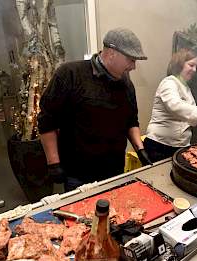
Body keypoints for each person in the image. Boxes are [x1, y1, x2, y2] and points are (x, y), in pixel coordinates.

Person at [38, 28, 152, 191]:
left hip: (114, 171)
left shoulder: (126, 84)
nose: (133, 66)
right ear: (112, 52)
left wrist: (140, 150)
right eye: (131, 60)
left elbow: (131, 121)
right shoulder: (70, 74)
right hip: (78, 175)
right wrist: (53, 163)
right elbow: (46, 120)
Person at [144, 48, 197, 163]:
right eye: (191, 65)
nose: (194, 70)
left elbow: (190, 116)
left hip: (180, 147)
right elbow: (176, 106)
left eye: (196, 67)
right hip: (159, 145)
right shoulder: (169, 82)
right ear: (179, 64)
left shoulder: (186, 88)